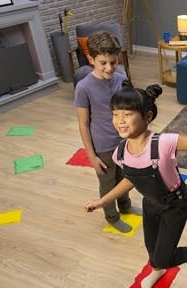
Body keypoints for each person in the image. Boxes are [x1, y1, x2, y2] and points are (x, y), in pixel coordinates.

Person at [83, 82, 187, 288]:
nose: (120, 121)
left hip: (175, 203)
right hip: (151, 203)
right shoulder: (121, 152)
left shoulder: (163, 143)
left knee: (163, 256)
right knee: (151, 247)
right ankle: (158, 270)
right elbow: (130, 180)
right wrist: (102, 202)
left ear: (147, 117)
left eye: (127, 114)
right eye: (116, 114)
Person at [74, 31, 133, 233]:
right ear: (91, 60)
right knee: (108, 184)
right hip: (103, 147)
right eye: (103, 63)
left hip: (125, 142)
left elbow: (130, 108)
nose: (109, 68)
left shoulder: (122, 78)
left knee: (125, 177)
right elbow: (83, 124)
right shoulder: (83, 87)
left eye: (113, 62)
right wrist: (91, 156)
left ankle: (125, 207)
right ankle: (111, 216)